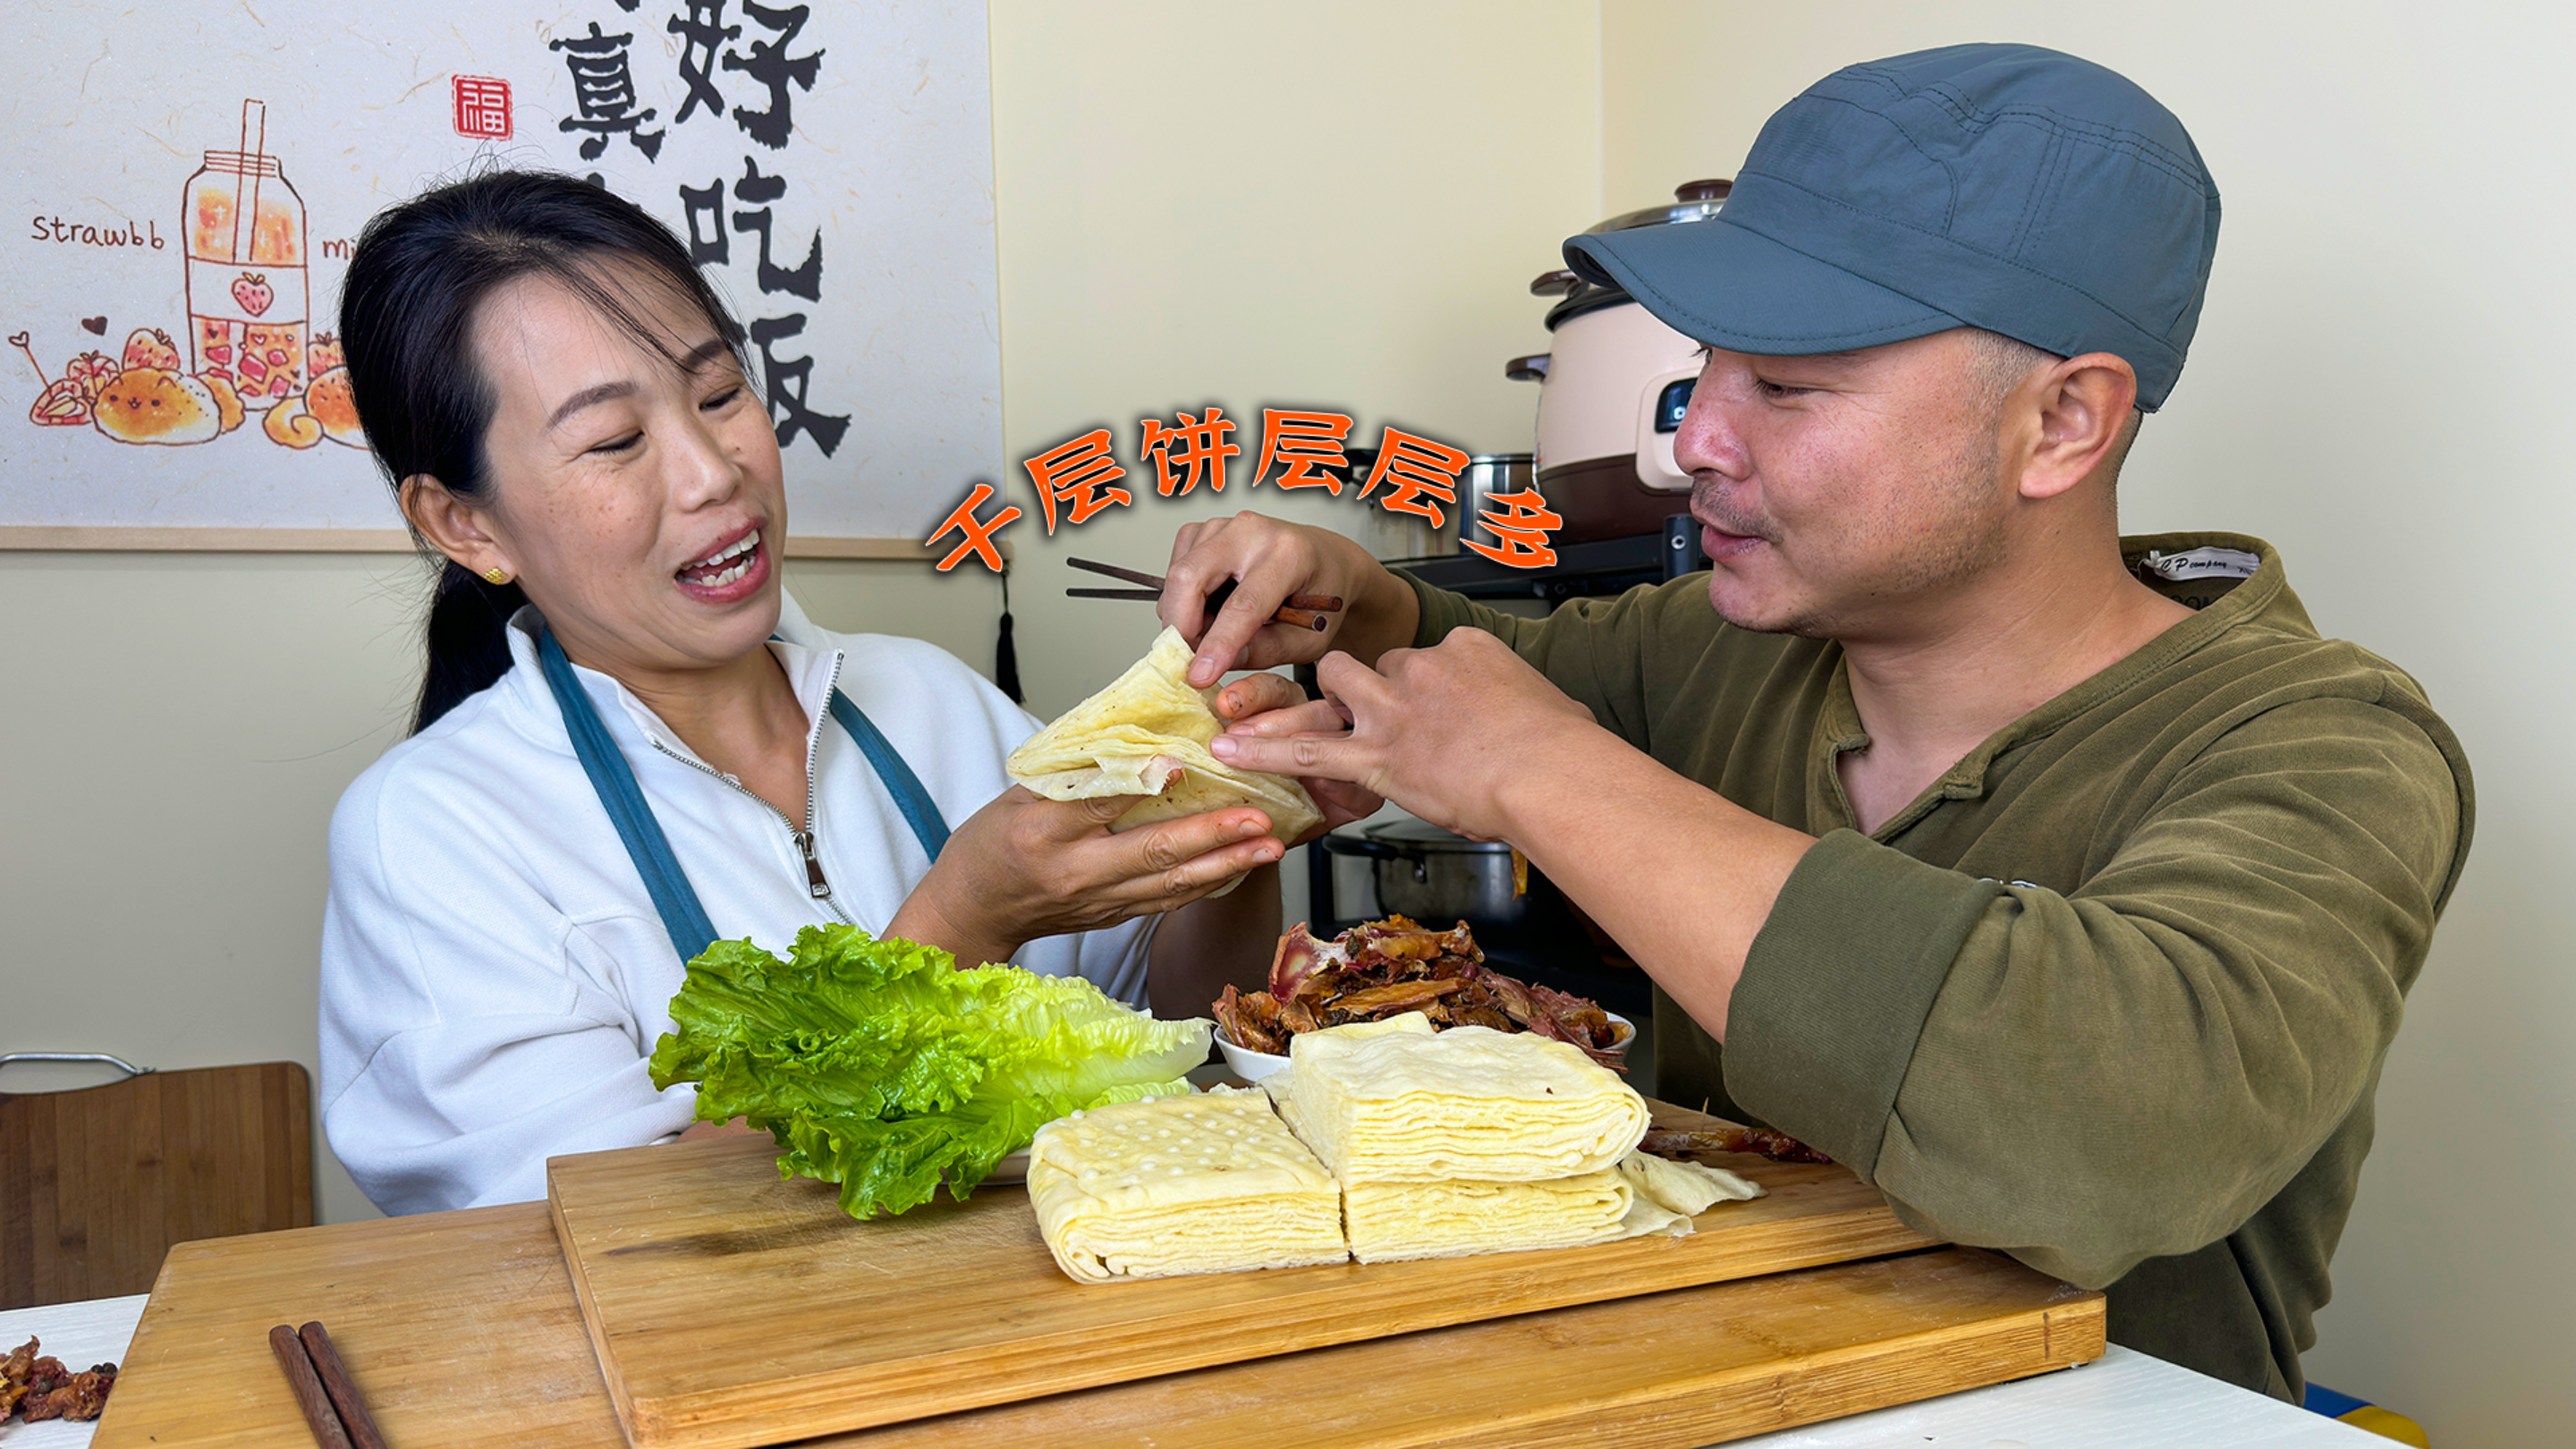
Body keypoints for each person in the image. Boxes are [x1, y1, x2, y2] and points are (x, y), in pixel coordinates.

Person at [1168, 44, 2472, 1401]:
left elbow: (2104, 1136)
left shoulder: (2326, 747)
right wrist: (1358, 605)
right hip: (1725, 1385)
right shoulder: (1729, 649)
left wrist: (1544, 772)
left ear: (2064, 423)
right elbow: (1497, 671)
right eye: (1708, 371)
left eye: (1787, 388)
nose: (1692, 446)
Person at [316, 171, 1342, 1216]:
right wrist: (962, 917)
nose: (714, 472)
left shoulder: (932, 699)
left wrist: (1229, 825)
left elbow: (1172, 1025)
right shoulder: (430, 835)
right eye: (615, 442)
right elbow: (593, 1226)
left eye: (719, 395)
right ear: (464, 525)